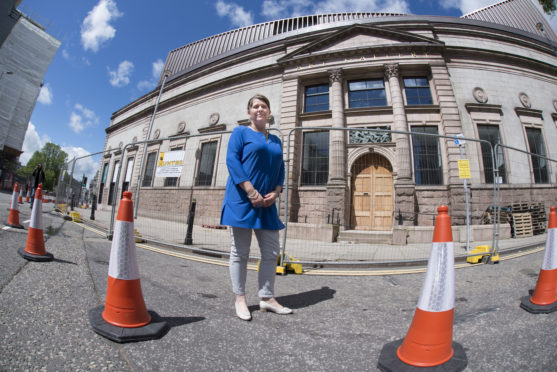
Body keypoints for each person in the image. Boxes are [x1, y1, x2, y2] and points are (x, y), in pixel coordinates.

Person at [220, 94, 292, 321]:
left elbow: (280, 168)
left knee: (271, 252)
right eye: (255, 106)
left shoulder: (276, 141)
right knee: (240, 252)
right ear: (249, 112)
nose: (259, 109)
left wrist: (277, 191)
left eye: (264, 106)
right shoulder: (241, 132)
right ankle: (240, 298)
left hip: (267, 203)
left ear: (269, 112)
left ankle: (267, 298)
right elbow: (232, 160)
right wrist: (250, 191)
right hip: (242, 199)